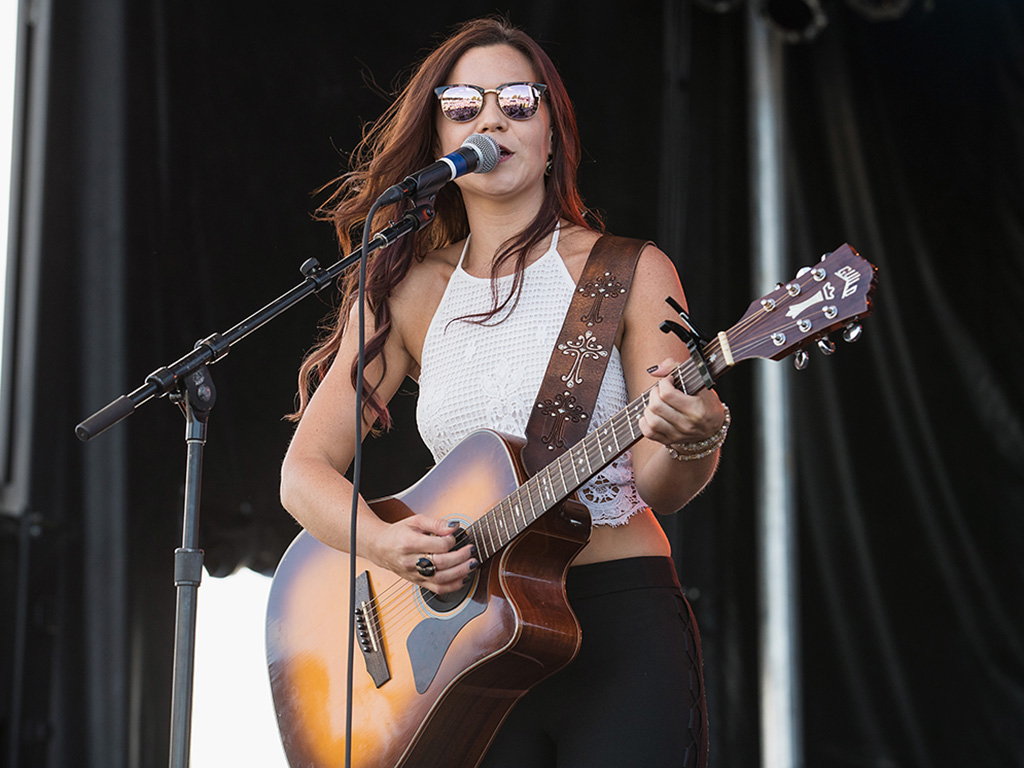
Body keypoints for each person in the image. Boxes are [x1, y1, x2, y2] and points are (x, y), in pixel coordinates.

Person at [279, 16, 726, 768]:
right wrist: (387, 545)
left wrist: (695, 437)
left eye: (519, 101)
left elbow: (662, 484)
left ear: (553, 134)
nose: (492, 117)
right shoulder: (408, 292)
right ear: (441, 139)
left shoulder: (631, 271)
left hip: (618, 620)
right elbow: (304, 472)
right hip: (472, 651)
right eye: (466, 105)